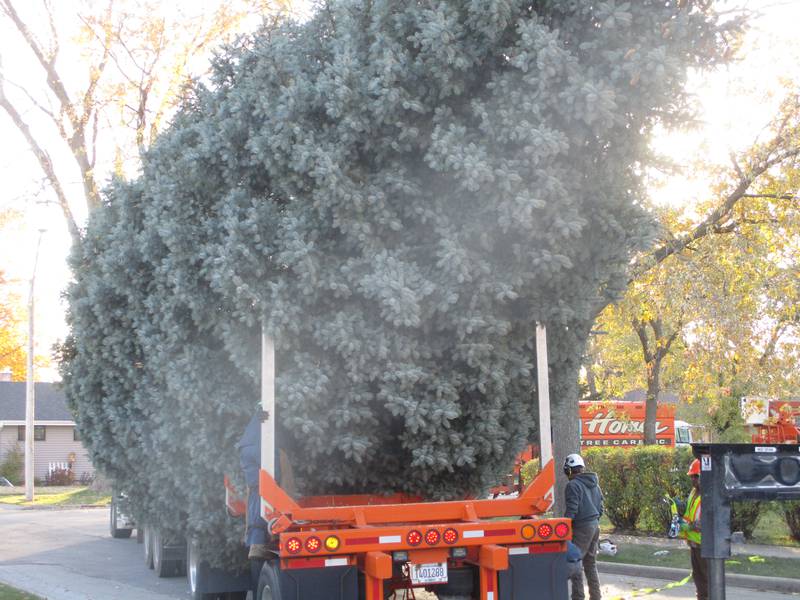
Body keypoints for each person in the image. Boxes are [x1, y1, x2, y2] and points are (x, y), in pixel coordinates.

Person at [563, 453, 604, 600]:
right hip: (595, 526)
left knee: (576, 563)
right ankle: (596, 596)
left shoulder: (573, 485)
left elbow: (571, 511)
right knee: (590, 564)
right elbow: (601, 509)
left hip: (582, 528)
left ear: (568, 470)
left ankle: (578, 597)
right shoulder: (595, 485)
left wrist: (563, 528)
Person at [237, 411, 270, 561]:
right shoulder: (263, 415)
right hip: (255, 451)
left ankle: (254, 542)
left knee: (254, 502)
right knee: (259, 503)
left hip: (248, 452)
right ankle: (257, 545)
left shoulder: (252, 425)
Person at [680, 458, 708, 600]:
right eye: (692, 476)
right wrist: (684, 525)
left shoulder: (709, 495)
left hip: (705, 545)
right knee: (698, 580)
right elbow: (688, 516)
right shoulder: (693, 492)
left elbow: (707, 523)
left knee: (706, 581)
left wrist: (690, 526)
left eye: (696, 476)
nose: (693, 480)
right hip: (694, 543)